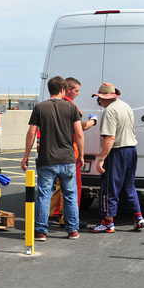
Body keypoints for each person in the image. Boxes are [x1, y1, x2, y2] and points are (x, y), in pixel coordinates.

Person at [21, 76, 84, 241]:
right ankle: (73, 230)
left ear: (50, 90)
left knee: (44, 195)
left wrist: (26, 155)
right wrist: (81, 155)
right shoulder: (71, 108)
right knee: (70, 195)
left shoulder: (40, 107)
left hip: (46, 159)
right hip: (68, 159)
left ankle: (41, 231)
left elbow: (31, 133)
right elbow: (79, 133)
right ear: (63, 90)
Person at [89, 83, 144, 233]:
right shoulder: (125, 106)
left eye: (99, 98)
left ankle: (108, 222)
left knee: (109, 187)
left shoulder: (110, 111)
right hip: (131, 149)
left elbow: (110, 137)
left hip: (117, 152)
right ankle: (138, 217)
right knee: (128, 186)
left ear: (104, 97)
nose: (99, 101)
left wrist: (101, 159)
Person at [49, 77, 98, 227]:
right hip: (71, 151)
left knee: (57, 185)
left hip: (53, 151)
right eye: (76, 91)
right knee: (72, 187)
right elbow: (79, 129)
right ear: (68, 90)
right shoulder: (71, 107)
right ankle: (70, 219)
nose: (78, 94)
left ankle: (53, 213)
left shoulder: (50, 105)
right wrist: (93, 122)